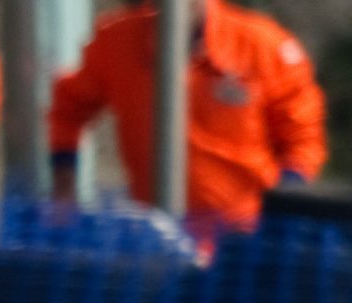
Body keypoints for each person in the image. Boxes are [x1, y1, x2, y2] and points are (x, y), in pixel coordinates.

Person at [48, 0, 327, 231]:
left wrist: (283, 211)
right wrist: (64, 187)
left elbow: (303, 138)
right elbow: (67, 107)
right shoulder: (117, 43)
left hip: (243, 235)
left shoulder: (262, 46)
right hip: (154, 229)